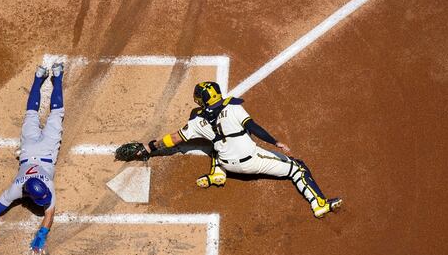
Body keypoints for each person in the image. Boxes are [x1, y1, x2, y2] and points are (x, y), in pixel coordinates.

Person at [134, 81, 342, 218]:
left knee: (213, 143)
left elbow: (174, 139)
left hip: (226, 163)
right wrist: (275, 142)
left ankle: (217, 174)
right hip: (252, 162)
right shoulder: (234, 108)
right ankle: (319, 204)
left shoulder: (197, 122)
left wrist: (149, 147)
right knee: (298, 168)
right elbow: (254, 128)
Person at [0, 62, 65, 254]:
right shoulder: (36, 187)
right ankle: (47, 76)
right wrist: (41, 234)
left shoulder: (19, 187)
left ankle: (51, 76)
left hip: (40, 150)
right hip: (30, 150)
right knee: (36, 115)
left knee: (47, 114)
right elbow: (49, 214)